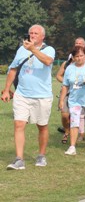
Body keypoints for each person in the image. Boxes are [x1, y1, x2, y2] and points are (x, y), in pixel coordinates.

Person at [2, 25, 56, 170]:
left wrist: (32, 49)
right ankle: (19, 159)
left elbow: (47, 61)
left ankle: (41, 155)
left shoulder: (49, 49)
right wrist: (7, 90)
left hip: (42, 96)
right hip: (22, 94)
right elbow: (13, 69)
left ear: (42, 36)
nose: (32, 35)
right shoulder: (21, 49)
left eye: (36, 33)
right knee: (19, 124)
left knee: (42, 126)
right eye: (31, 33)